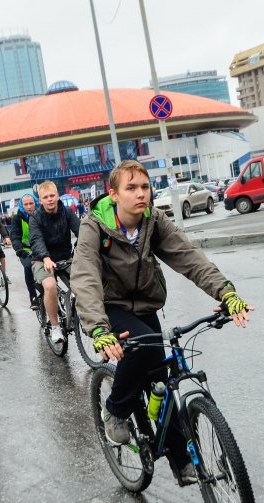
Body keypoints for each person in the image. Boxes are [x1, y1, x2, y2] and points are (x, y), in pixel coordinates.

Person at [71, 160, 253, 485]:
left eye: (144, 187)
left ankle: (182, 462)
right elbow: (85, 277)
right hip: (109, 306)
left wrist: (226, 292)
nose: (141, 194)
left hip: (145, 304)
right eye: (131, 188)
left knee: (161, 379)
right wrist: (98, 329)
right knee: (143, 352)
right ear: (113, 194)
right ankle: (115, 409)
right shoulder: (94, 226)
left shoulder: (153, 219)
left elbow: (187, 256)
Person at [29, 181, 80, 345]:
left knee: (85, 282)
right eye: (46, 197)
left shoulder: (67, 212)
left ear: (58, 196)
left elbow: (82, 231)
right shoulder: (35, 217)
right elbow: (36, 240)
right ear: (40, 200)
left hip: (65, 258)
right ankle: (55, 326)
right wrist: (45, 257)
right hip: (42, 259)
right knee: (50, 286)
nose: (50, 199)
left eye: (52, 195)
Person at [10, 192, 40, 309]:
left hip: (41, 248)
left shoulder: (41, 215)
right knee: (28, 266)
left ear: (36, 203)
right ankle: (33, 296)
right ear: (22, 206)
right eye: (26, 204)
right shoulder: (17, 218)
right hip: (25, 250)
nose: (29, 207)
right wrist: (19, 249)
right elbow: (15, 235)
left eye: (31, 203)